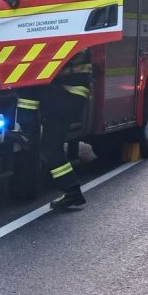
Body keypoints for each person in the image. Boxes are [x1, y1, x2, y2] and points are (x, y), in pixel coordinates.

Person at [14, 49, 92, 211]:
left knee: (29, 86)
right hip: (69, 95)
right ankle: (72, 192)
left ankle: (27, 133)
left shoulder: (63, 39)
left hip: (69, 94)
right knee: (50, 148)